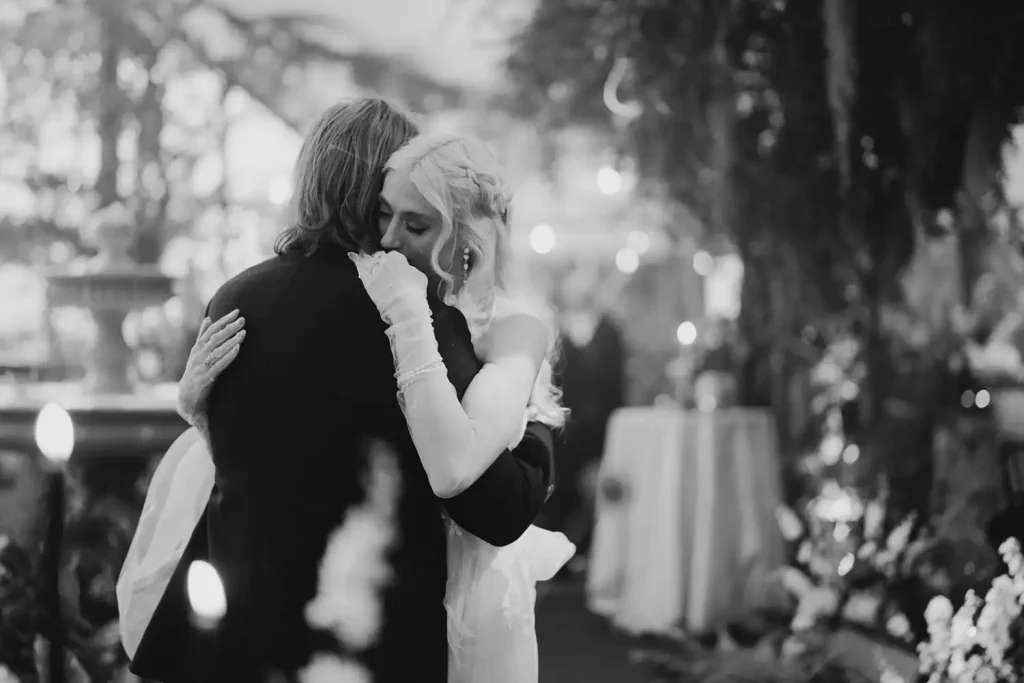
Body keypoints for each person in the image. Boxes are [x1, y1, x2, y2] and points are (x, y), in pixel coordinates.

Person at [119, 99, 558, 683]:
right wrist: (538, 420)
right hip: (366, 635)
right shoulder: (414, 315)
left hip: (239, 635)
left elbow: (250, 460)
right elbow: (493, 508)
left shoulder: (234, 300)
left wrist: (195, 415)